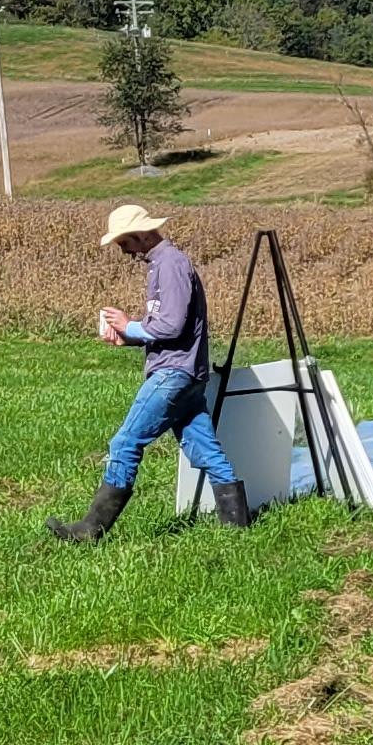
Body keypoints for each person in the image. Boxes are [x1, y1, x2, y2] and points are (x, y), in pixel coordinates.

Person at [52, 204, 249, 540]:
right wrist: (128, 337)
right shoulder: (163, 263)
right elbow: (169, 328)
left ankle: (91, 528)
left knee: (125, 442)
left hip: (172, 373)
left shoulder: (170, 264)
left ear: (141, 235)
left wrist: (130, 324)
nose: (123, 251)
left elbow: (170, 326)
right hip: (188, 372)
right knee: (204, 449)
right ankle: (237, 528)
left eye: (124, 243)